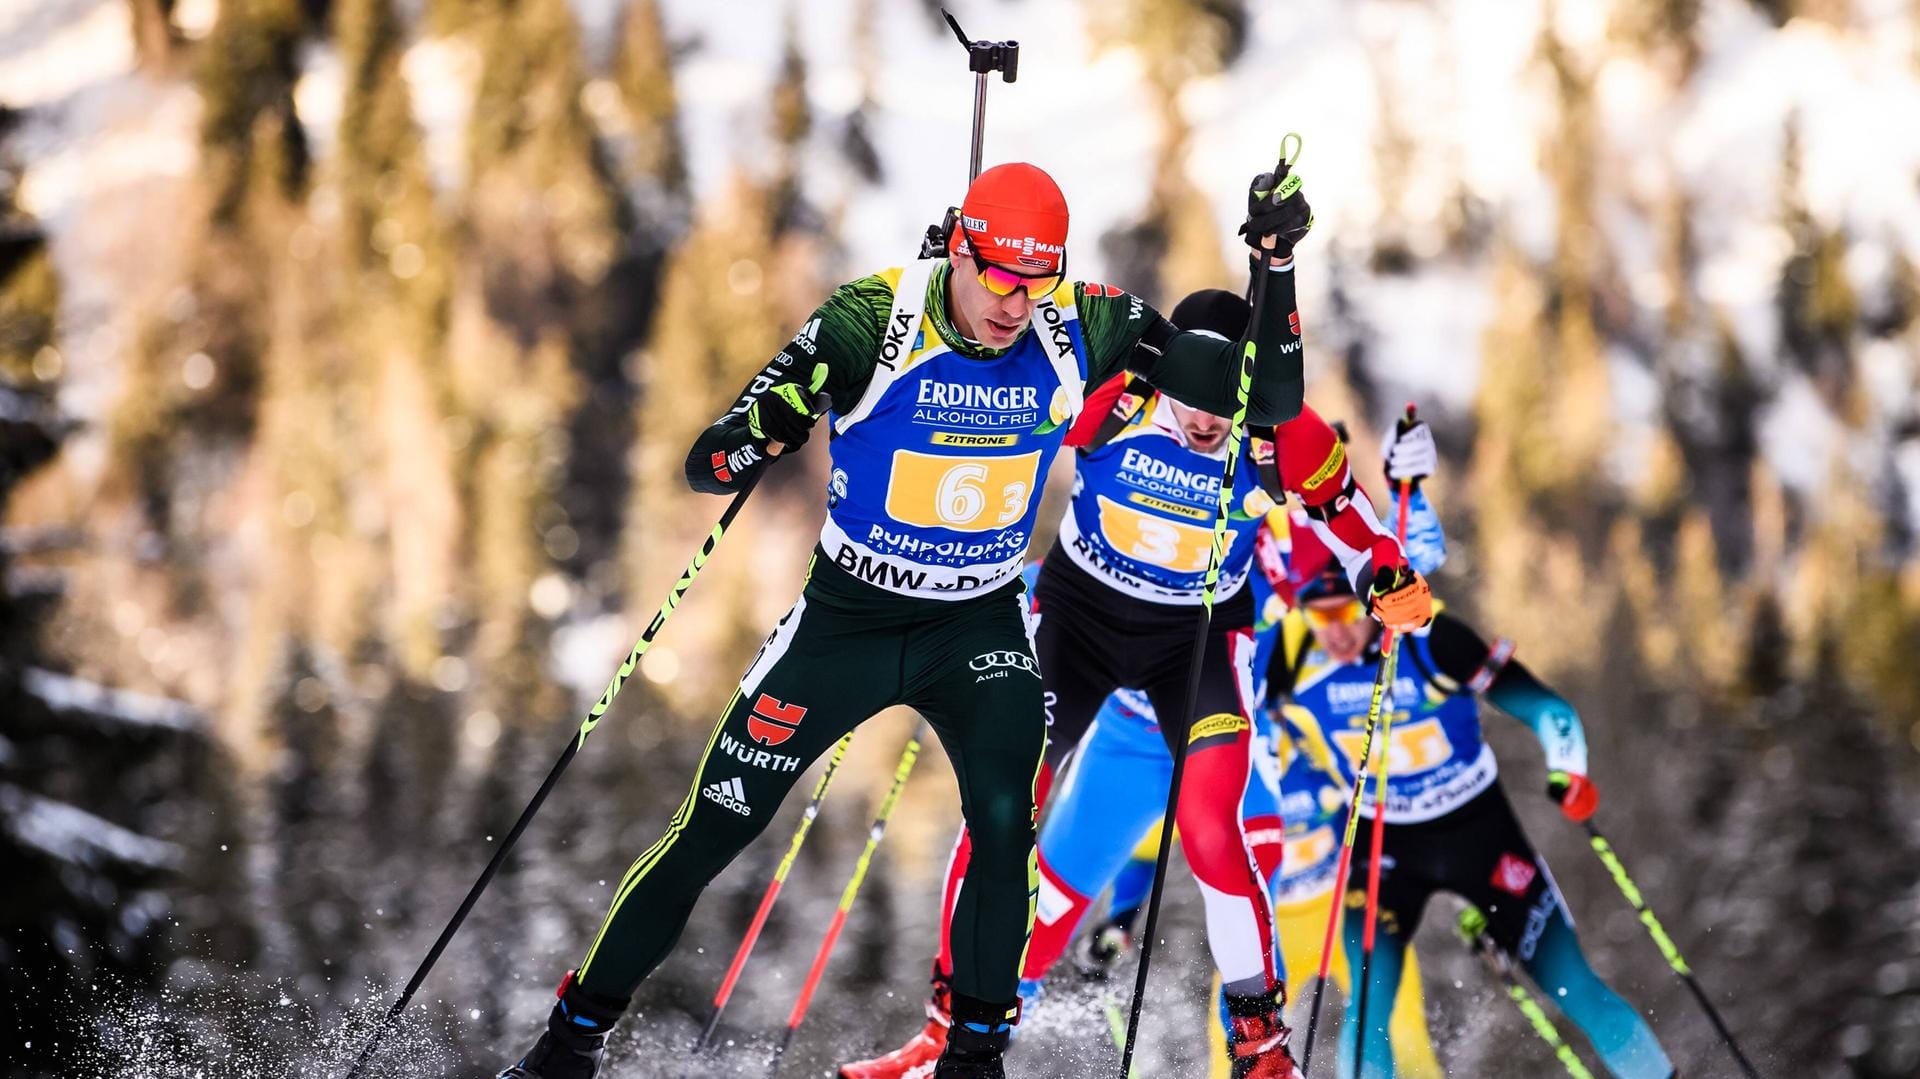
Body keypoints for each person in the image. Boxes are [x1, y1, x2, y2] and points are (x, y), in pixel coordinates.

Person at [496, 158, 1330, 1079]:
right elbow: (709, 459)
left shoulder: (1080, 324)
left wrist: (1273, 263)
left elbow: (1266, 399)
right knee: (713, 829)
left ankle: (971, 1057)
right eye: (1002, 278)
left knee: (1008, 826)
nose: (1018, 303)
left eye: (1038, 278)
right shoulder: (872, 319)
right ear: (961, 250)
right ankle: (567, 1043)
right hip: (846, 622)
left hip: (975, 628)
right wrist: (749, 439)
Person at [840, 293, 1434, 1079]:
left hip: (1198, 639)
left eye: (1226, 407)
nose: (1205, 423)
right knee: (1002, 811)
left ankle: (1261, 1045)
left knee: (1214, 829)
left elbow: (1355, 530)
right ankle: (949, 1031)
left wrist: (1391, 576)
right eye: (1191, 400)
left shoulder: (1282, 434)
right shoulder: (1111, 395)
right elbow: (987, 422)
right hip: (1080, 622)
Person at [1023, 418, 1450, 1079]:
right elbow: (1060, 576)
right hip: (1130, 739)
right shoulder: (1159, 481)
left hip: (1229, 739)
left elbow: (1394, 563)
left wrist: (1410, 492)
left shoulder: (1287, 537)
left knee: (1252, 888)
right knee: (1043, 901)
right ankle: (963, 1037)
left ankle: (1260, 1061)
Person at [1277, 510, 1676, 1079]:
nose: (1334, 632)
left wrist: (1569, 770)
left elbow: (1547, 708)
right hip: (1383, 849)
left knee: (1575, 988)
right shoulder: (1296, 660)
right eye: (1318, 619)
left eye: (1344, 613)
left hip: (1479, 835)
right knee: (1367, 1012)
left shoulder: (1432, 641)